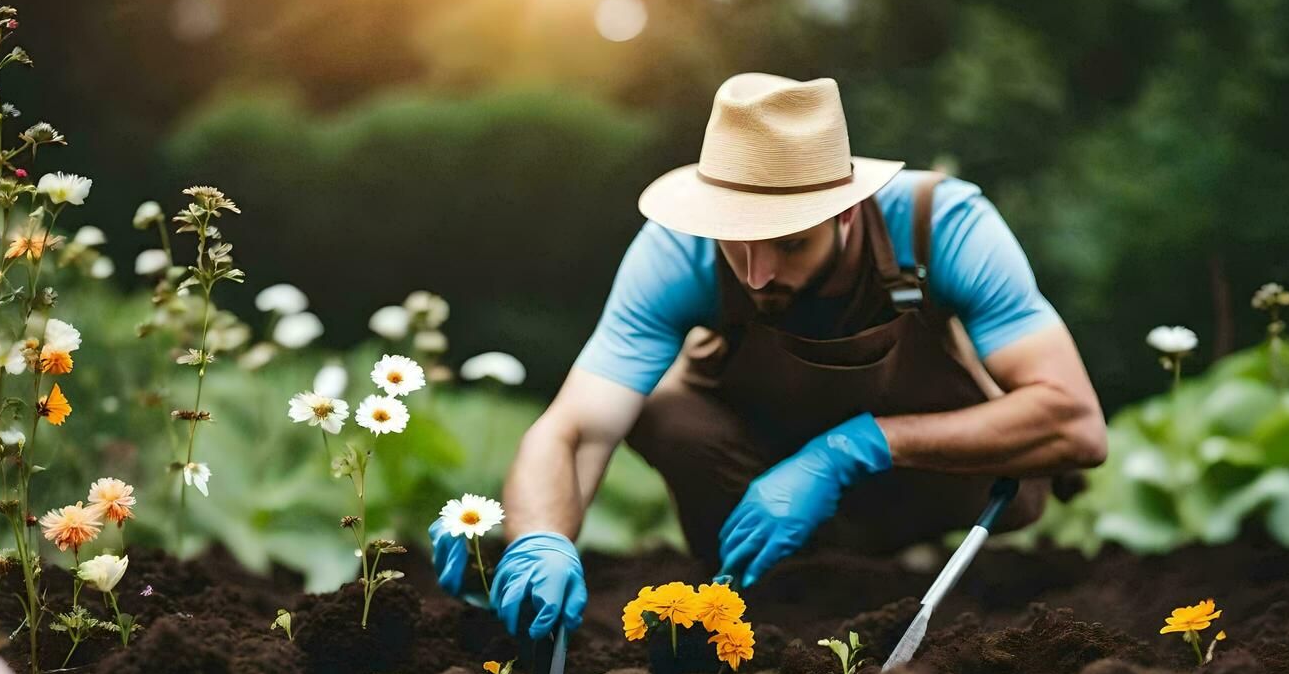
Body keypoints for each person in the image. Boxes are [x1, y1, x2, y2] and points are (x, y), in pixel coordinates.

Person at [430, 73, 1107, 639]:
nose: (755, 275)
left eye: (787, 243)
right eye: (736, 242)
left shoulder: (942, 228)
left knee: (1018, 472)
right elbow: (574, 429)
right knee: (665, 413)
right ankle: (787, 588)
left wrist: (852, 448)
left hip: (926, 486)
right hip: (753, 469)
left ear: (846, 213)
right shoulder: (677, 251)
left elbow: (1076, 423)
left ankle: (896, 557)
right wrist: (539, 540)